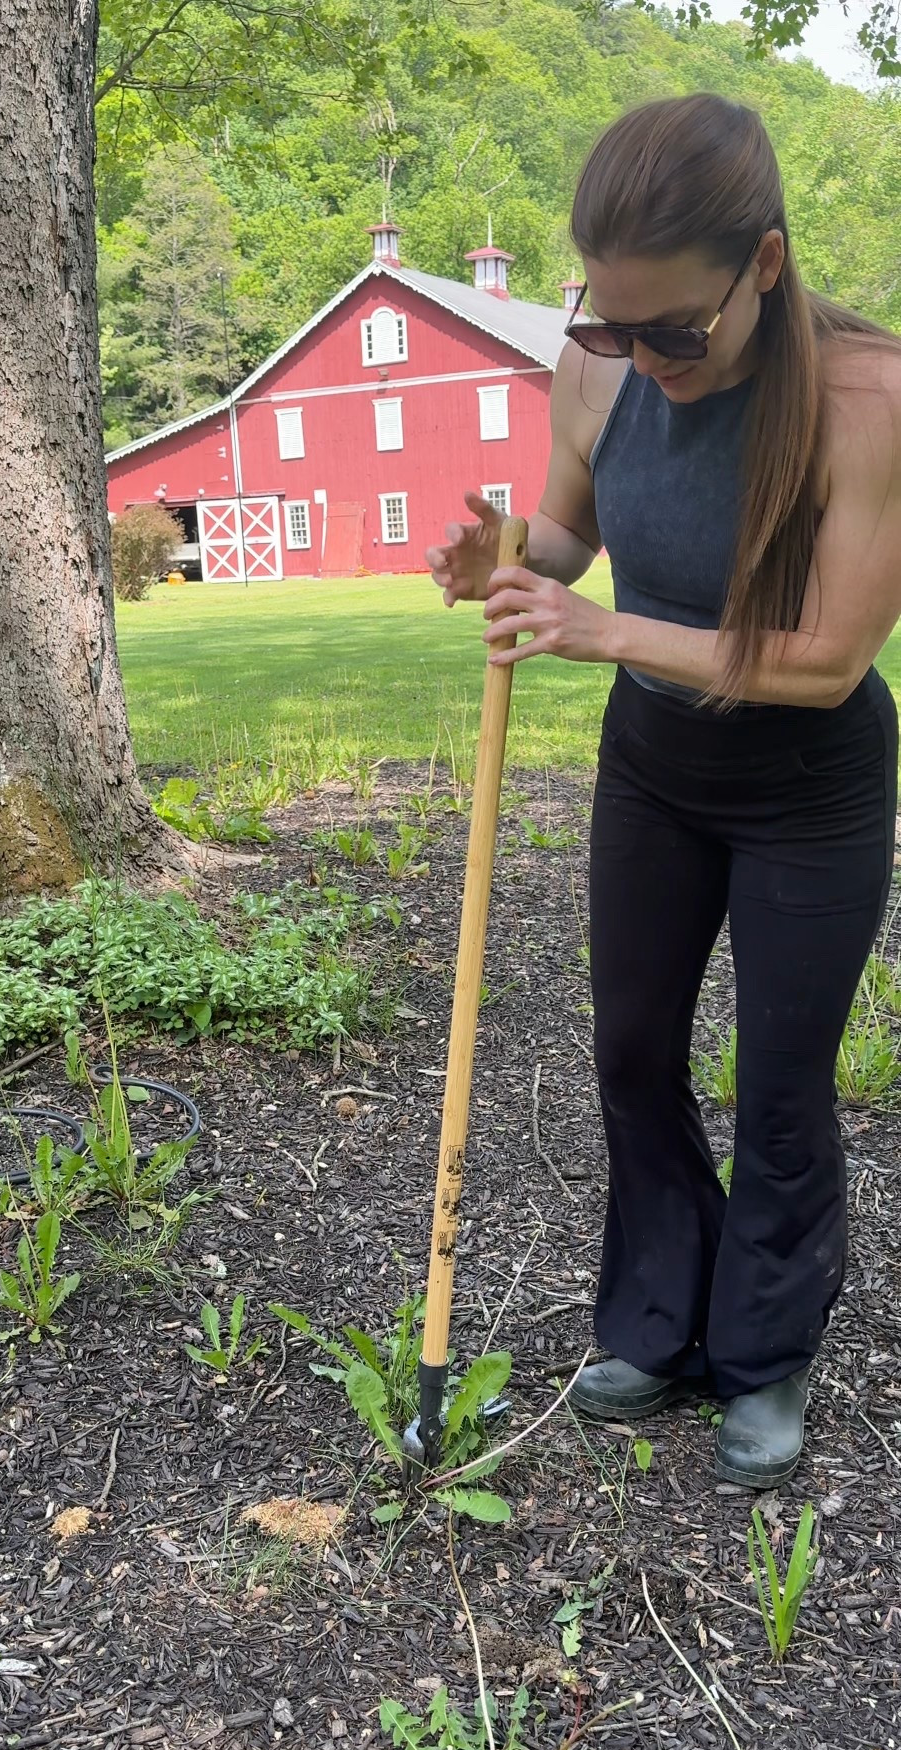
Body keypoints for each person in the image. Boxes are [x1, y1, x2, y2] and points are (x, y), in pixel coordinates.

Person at [426, 93, 901, 1488]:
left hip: (808, 783)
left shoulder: (869, 401)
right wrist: (512, 562)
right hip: (658, 769)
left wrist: (605, 633)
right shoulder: (601, 367)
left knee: (781, 1082)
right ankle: (655, 1316)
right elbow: (571, 531)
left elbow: (821, 661)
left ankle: (763, 1353)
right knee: (631, 1050)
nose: (643, 359)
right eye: (608, 325)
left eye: (674, 332)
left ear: (764, 264)